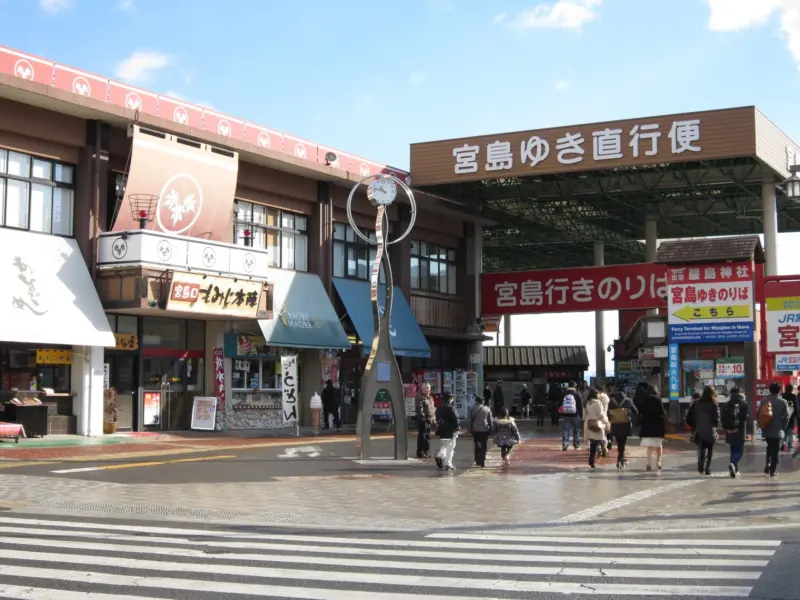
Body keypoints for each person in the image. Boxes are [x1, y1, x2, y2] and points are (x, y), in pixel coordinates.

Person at [687, 386, 720, 476]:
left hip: (699, 430)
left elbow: (689, 417)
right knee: (710, 450)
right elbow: (716, 419)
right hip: (710, 430)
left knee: (701, 449)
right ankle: (707, 468)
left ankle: (700, 467)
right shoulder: (714, 404)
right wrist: (714, 427)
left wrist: (694, 426)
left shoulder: (697, 403)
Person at [760, 382, 790, 477]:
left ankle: (767, 464)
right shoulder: (783, 402)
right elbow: (787, 417)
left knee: (769, 447)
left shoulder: (764, 400)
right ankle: (772, 470)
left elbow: (759, 414)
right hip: (778, 430)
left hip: (767, 429)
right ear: (779, 390)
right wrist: (783, 428)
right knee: (775, 450)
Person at [638, 384, 667, 471]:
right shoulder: (658, 399)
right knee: (659, 445)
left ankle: (648, 463)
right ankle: (659, 462)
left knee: (650, 446)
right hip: (657, 424)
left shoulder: (644, 400)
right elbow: (662, 412)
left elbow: (640, 412)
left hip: (647, 425)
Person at [722, 385, 750, 478]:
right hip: (740, 430)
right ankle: (733, 464)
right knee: (740, 451)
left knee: (733, 450)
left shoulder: (726, 404)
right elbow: (745, 418)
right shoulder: (743, 404)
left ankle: (735, 470)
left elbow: (722, 418)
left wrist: (726, 428)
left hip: (729, 430)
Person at [609, 391, 638, 470]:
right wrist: (629, 414)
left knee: (619, 442)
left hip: (615, 425)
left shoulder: (612, 401)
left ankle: (620, 458)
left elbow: (608, 413)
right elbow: (635, 411)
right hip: (625, 424)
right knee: (623, 442)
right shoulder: (628, 401)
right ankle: (620, 458)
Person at [584, 389, 610, 469]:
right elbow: (601, 414)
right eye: (598, 394)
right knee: (597, 441)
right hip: (597, 423)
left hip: (589, 423)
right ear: (595, 394)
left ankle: (591, 459)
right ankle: (601, 452)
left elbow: (584, 415)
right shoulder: (598, 403)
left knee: (593, 443)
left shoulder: (587, 402)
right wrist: (606, 422)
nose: (599, 395)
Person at [434, 392, 459, 471]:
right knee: (450, 447)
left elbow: (437, 420)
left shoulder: (438, 409)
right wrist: (457, 428)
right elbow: (455, 420)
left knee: (444, 445)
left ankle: (439, 456)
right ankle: (448, 463)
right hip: (450, 431)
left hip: (442, 431)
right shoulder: (451, 408)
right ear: (449, 399)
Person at [469, 396, 493, 467]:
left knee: (477, 444)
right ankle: (482, 459)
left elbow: (470, 420)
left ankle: (477, 459)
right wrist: (491, 429)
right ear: (483, 401)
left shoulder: (472, 409)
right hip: (484, 430)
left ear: (476, 401)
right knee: (484, 445)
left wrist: (470, 428)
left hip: (475, 430)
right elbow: (490, 421)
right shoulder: (487, 409)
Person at [416, 383, 436, 459]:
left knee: (428, 436)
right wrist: (423, 418)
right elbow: (419, 409)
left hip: (429, 420)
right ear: (422, 389)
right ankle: (420, 452)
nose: (427, 390)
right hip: (423, 420)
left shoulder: (430, 398)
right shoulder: (420, 397)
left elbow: (432, 408)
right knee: (422, 436)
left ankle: (426, 451)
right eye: (426, 388)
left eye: (428, 388)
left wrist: (434, 417)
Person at [560, 382, 583, 451]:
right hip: (575, 415)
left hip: (566, 414)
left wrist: (562, 413)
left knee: (566, 429)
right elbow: (580, 405)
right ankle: (576, 445)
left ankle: (565, 443)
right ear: (574, 386)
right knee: (576, 430)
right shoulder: (577, 394)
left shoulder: (564, 394)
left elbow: (560, 404)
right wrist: (581, 415)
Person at [782, 384, 797, 453]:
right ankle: (790, 446)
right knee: (790, 432)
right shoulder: (794, 396)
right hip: (792, 417)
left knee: (784, 432)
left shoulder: (782, 396)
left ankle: (783, 444)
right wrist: (796, 415)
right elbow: (796, 407)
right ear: (791, 389)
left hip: (783, 416)